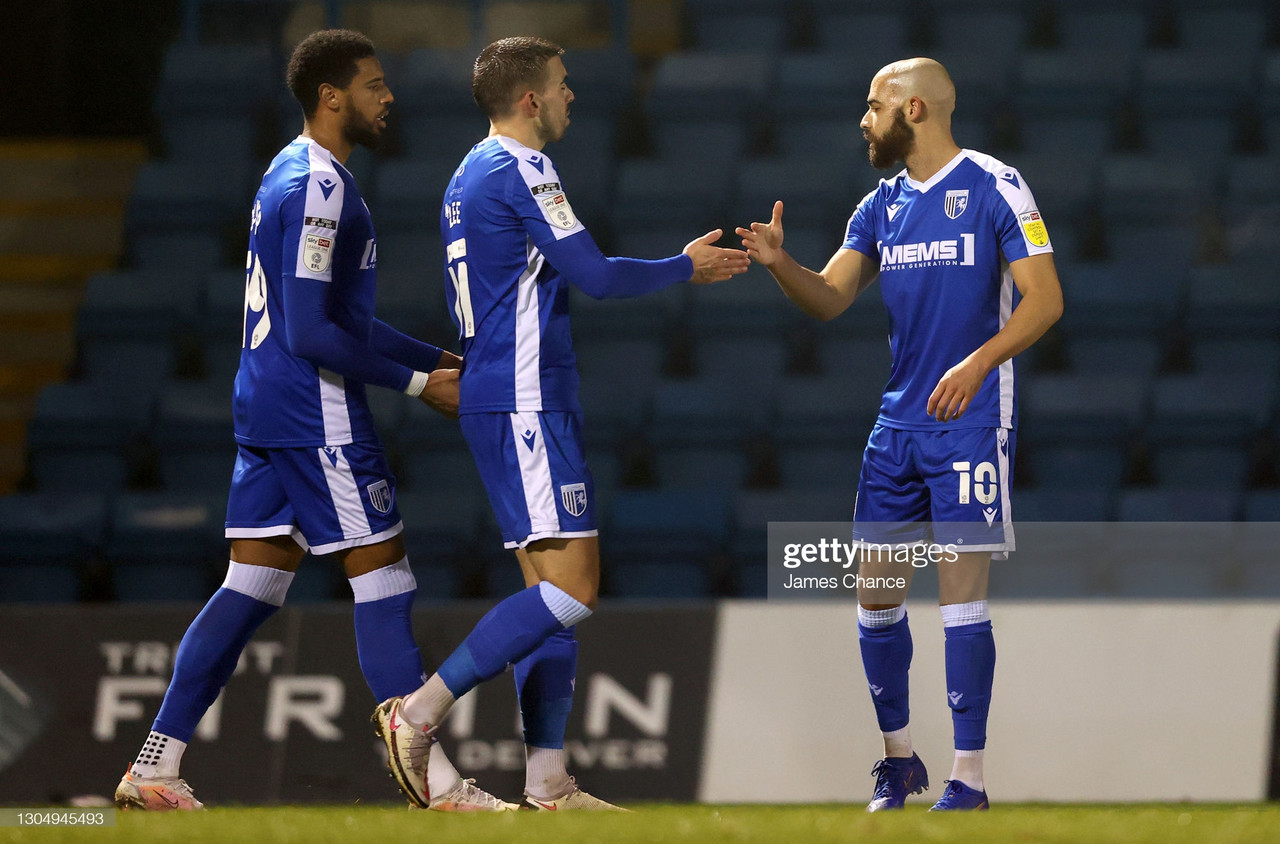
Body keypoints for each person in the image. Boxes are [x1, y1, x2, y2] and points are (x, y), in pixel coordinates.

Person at [114, 29, 515, 813]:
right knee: (386, 575)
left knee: (251, 584)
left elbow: (336, 316)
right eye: (372, 85)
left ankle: (154, 767)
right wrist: (416, 383)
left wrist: (441, 358)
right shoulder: (321, 188)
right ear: (332, 96)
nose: (387, 96)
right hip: (313, 411)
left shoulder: (288, 172)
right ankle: (434, 784)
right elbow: (312, 332)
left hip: (267, 405)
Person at [371, 36, 749, 812]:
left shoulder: (464, 174)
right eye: (563, 84)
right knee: (573, 590)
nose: (573, 96)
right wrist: (686, 266)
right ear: (531, 99)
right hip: (524, 399)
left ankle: (547, 784)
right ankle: (417, 715)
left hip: (505, 397)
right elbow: (596, 276)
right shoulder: (523, 166)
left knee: (547, 596)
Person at [737, 58, 1063, 811]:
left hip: (970, 421)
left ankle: (969, 779)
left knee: (959, 599)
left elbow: (1044, 301)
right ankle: (900, 761)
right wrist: (782, 264)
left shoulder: (995, 186)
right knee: (875, 594)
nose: (863, 118)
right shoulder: (878, 205)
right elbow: (829, 299)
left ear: (913, 109)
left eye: (873, 104)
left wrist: (980, 365)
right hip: (898, 425)